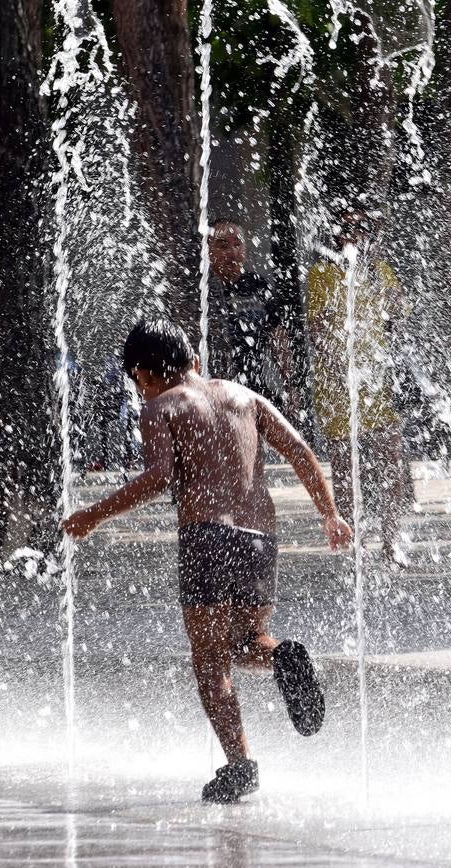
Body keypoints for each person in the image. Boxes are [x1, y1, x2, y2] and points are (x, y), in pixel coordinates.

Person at [63, 319, 352, 803]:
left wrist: (93, 514)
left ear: (141, 374)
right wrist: (330, 514)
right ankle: (281, 656)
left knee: (210, 660)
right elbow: (300, 451)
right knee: (245, 641)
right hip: (262, 538)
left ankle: (240, 766)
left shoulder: (161, 406)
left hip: (207, 537)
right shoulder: (242, 396)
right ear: (192, 359)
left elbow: (159, 476)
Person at [307, 203, 407, 564]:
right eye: (348, 230)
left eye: (363, 229)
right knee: (346, 469)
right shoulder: (321, 275)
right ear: (336, 235)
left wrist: (384, 291)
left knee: (389, 462)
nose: (356, 236)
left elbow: (398, 318)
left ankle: (392, 539)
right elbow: (317, 330)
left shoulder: (381, 272)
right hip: (337, 386)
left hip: (376, 383)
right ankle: (355, 541)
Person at [207, 219, 294, 411]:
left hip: (252, 388)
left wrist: (290, 384)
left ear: (245, 251)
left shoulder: (258, 285)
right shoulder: (204, 291)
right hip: (212, 393)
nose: (232, 252)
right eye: (223, 246)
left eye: (237, 244)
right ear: (208, 252)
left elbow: (277, 336)